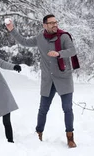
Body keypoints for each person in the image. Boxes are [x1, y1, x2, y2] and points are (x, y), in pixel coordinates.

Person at [5, 14, 79, 148]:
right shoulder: (40, 38)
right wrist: (12, 29)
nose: (54, 25)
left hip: (64, 78)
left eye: (55, 22)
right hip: (48, 80)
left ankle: (70, 137)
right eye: (51, 23)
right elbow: (24, 41)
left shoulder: (64, 37)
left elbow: (72, 50)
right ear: (44, 25)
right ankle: (38, 134)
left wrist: (59, 53)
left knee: (67, 109)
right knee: (43, 109)